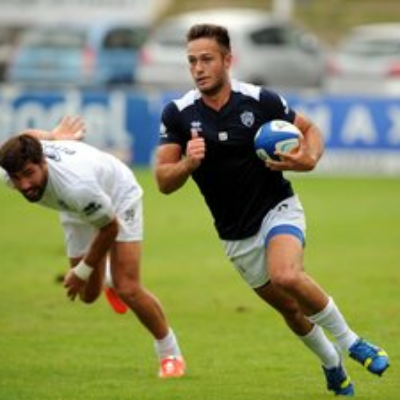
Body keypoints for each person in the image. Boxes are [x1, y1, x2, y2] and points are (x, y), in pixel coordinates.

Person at [154, 23, 389, 395]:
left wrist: (308, 159)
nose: (198, 68)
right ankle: (332, 364)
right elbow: (163, 181)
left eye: (207, 59)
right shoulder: (178, 113)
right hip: (235, 234)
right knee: (291, 310)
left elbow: (310, 130)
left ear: (227, 60)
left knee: (286, 275)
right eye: (192, 61)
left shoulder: (259, 100)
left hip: (277, 207)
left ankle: (352, 342)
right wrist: (187, 164)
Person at [0, 116, 186, 379]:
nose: (24, 185)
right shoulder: (10, 170)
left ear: (43, 163)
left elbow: (109, 228)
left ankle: (170, 355)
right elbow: (24, 137)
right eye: (17, 178)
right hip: (74, 208)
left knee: (128, 287)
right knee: (88, 296)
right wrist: (52, 136)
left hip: (117, 195)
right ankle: (107, 276)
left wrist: (82, 271)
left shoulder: (78, 186)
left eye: (29, 174)